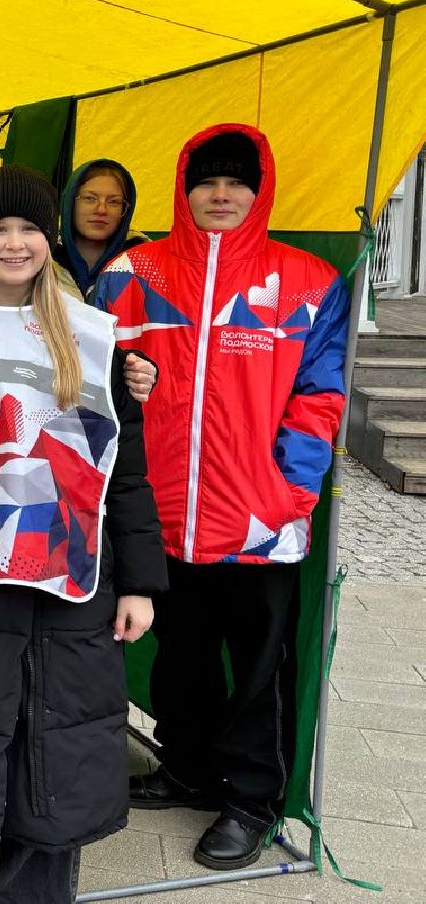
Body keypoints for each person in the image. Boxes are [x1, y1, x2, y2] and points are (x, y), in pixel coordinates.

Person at [0, 164, 167, 904]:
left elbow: (125, 471)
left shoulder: (97, 338)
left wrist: (139, 582)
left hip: (68, 584)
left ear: (50, 237)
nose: (15, 244)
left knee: (53, 779)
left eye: (30, 229)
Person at [94, 124, 348, 870]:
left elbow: (321, 396)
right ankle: (188, 770)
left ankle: (252, 801)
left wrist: (288, 492)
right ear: (185, 187)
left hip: (260, 523)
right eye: (208, 180)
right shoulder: (131, 273)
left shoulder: (306, 283)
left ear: (259, 190)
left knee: (259, 670)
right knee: (182, 658)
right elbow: (86, 374)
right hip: (162, 515)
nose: (221, 194)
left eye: (237, 181)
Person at [54, 158, 149, 299]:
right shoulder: (42, 257)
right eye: (89, 198)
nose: (101, 210)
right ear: (70, 203)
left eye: (114, 202)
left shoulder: (145, 262)